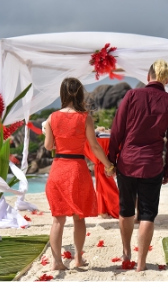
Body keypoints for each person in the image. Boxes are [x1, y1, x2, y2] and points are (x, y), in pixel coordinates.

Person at [108, 59, 168, 272]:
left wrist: (112, 159)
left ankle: (126, 252)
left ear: (148, 77)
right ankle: (141, 263)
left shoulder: (132, 95)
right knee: (148, 213)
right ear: (166, 80)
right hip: (152, 165)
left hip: (127, 163)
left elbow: (117, 129)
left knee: (126, 209)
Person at [44, 77, 115, 270]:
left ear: (62, 94)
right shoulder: (85, 118)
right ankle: (78, 259)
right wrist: (108, 164)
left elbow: (49, 146)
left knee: (58, 219)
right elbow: (94, 146)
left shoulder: (52, 117)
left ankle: (57, 262)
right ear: (80, 93)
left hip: (58, 169)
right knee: (79, 218)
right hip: (77, 169)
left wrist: (48, 133)